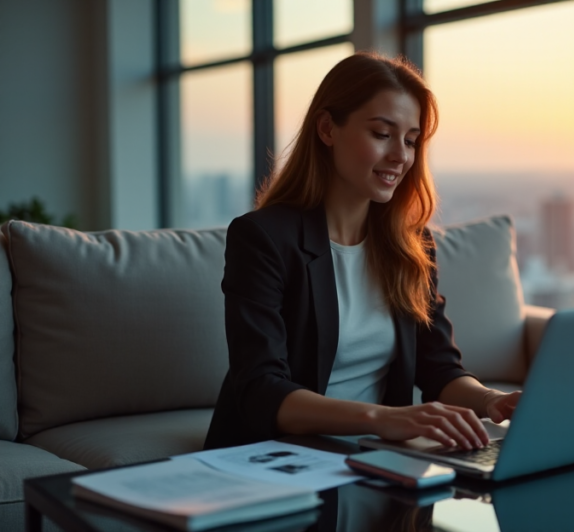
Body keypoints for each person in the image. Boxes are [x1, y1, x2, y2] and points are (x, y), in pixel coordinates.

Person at [204, 52, 519, 451]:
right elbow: (261, 389)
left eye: (410, 140)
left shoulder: (410, 245)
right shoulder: (263, 238)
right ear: (327, 129)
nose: (401, 157)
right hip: (282, 455)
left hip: (375, 456)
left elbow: (438, 367)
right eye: (382, 134)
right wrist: (385, 419)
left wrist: (491, 401)